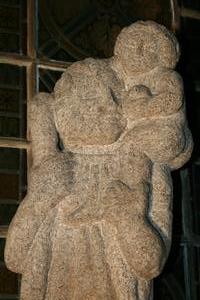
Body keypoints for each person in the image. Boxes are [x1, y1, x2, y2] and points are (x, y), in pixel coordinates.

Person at [5, 21, 192, 300]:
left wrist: (127, 218)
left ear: (123, 106)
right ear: (59, 111)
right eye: (77, 98)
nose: (91, 107)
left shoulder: (142, 165)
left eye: (105, 95)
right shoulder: (55, 167)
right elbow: (15, 258)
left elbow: (150, 263)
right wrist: (40, 200)